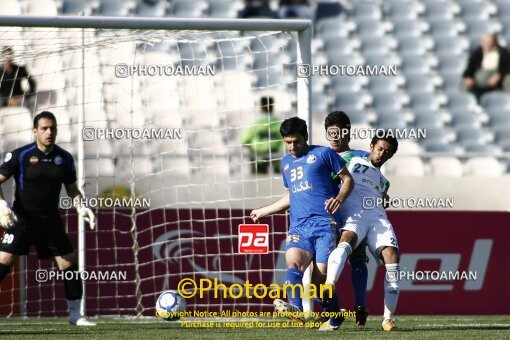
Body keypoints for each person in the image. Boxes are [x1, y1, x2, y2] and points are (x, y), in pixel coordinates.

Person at [250, 117, 354, 329]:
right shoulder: (286, 163)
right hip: (298, 227)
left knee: (318, 284)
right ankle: (295, 309)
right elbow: (291, 196)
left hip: (325, 225)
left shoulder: (324, 154)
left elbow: (348, 179)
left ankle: (333, 315)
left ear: (305, 137)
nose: (291, 146)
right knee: (293, 265)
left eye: (296, 141)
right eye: (287, 142)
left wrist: (339, 199)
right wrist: (263, 211)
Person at [0, 111, 96, 326]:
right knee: (4, 261)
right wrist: (1, 206)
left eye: (52, 128)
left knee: (69, 263)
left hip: (50, 221)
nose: (49, 132)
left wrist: (82, 207)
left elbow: (72, 190)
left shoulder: (64, 158)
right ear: (35, 131)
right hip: (22, 220)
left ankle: (76, 315)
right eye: (44, 128)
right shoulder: (21, 155)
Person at [325, 132, 400, 332]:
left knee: (392, 256)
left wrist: (384, 198)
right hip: (354, 211)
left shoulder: (385, 182)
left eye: (387, 152)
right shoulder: (351, 159)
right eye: (380, 148)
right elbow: (333, 176)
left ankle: (388, 319)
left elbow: (382, 195)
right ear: (372, 146)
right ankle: (329, 285)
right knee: (346, 241)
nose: (382, 154)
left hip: (377, 217)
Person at [324, 111, 371, 328]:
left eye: (338, 132)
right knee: (321, 265)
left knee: (357, 259)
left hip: (354, 215)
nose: (334, 137)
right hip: (327, 218)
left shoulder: (362, 157)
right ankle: (331, 312)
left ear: (347, 133)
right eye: (330, 133)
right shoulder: (321, 156)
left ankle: (360, 305)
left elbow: (375, 182)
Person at [241, 96, 284, 174]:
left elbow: (244, 140)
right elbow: (285, 141)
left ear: (261, 107)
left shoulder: (254, 123)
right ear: (272, 107)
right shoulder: (278, 123)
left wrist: (252, 147)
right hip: (276, 157)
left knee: (259, 181)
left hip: (258, 157)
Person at [463, 33, 510, 100]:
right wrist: (468, 77)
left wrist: (499, 75)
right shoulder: (477, 53)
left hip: (497, 74)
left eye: (488, 42)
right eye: (484, 42)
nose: (486, 44)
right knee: (468, 84)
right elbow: (470, 67)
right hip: (482, 75)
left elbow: (507, 67)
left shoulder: (503, 53)